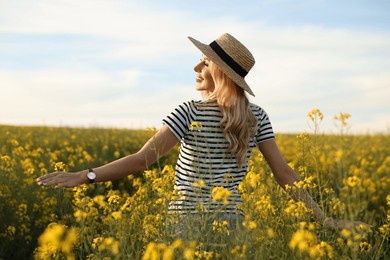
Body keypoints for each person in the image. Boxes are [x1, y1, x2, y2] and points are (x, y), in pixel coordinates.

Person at [36, 33, 366, 241]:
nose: (196, 66)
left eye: (205, 61)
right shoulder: (258, 117)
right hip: (232, 228)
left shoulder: (189, 111)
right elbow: (285, 175)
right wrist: (326, 220)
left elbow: (142, 160)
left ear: (220, 72)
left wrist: (85, 175)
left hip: (184, 227)